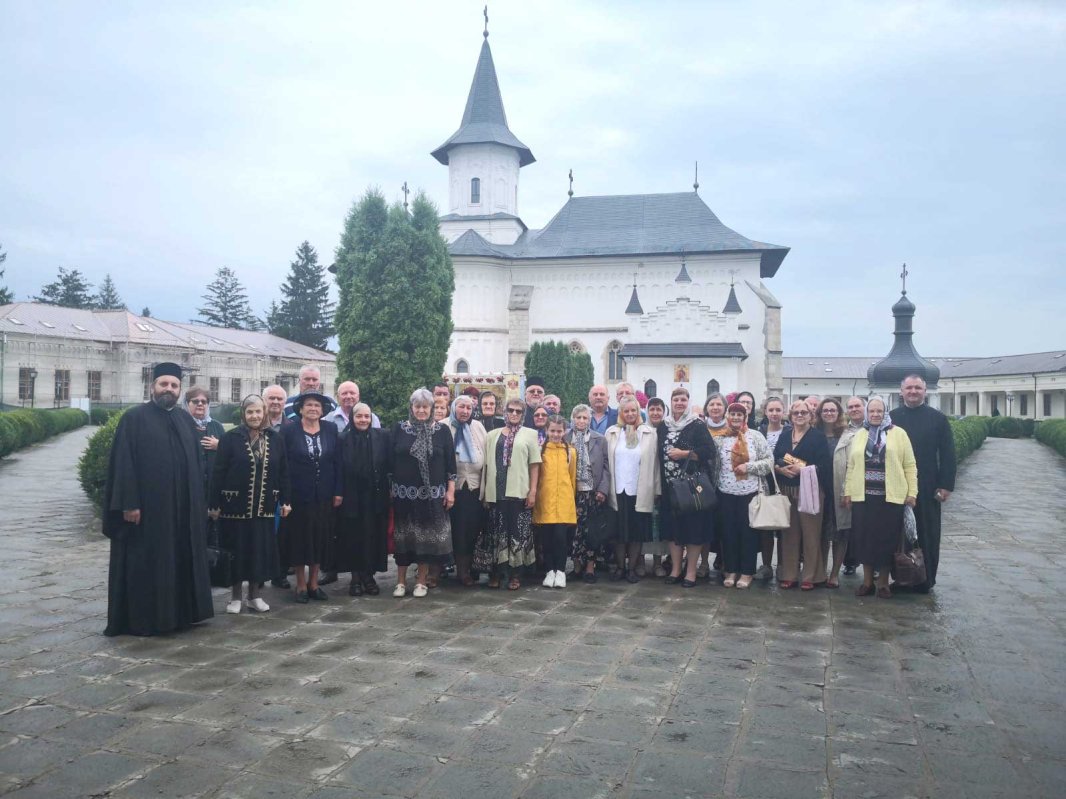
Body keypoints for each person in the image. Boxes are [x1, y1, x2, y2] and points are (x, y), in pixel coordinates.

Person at [102, 362, 213, 636]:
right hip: (148, 512)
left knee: (178, 561)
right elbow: (124, 463)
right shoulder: (134, 419)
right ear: (152, 386)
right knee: (148, 564)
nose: (169, 389)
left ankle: (179, 616)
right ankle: (146, 619)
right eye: (164, 384)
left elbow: (196, 464)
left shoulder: (185, 420)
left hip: (182, 511)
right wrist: (129, 503)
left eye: (174, 385)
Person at [208, 395, 290, 614]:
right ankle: (235, 597)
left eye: (258, 411)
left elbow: (283, 472)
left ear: (264, 413)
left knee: (258, 552)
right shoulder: (230, 438)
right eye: (250, 412)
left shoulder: (275, 439)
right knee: (237, 551)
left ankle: (254, 596)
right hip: (234, 506)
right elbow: (218, 472)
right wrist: (213, 503)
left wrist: (286, 500)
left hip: (264, 506)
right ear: (244, 414)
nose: (254, 416)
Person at [844, 397, 918, 599]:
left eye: (879, 411)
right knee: (865, 540)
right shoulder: (860, 434)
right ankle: (867, 582)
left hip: (890, 498)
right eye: (872, 411)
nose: (875, 414)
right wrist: (848, 491)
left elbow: (910, 465)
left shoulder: (899, 433)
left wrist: (912, 493)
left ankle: (883, 583)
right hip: (863, 497)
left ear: (886, 412)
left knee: (887, 541)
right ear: (867, 413)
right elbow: (851, 466)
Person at [890, 375, 957, 592]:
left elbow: (947, 453)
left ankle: (925, 579)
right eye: (909, 388)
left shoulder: (937, 418)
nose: (913, 391)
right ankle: (901, 577)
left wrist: (945, 485)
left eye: (917, 388)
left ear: (925, 391)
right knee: (898, 533)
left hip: (927, 484)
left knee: (927, 532)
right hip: (897, 483)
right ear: (901, 391)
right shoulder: (892, 418)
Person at [389, 388, 456, 598]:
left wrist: (450, 491)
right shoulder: (399, 429)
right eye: (417, 406)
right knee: (403, 539)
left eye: (425, 407)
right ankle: (400, 582)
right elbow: (389, 462)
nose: (421, 410)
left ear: (431, 408)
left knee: (426, 541)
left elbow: (450, 465)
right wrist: (389, 488)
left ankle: (421, 582)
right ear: (411, 407)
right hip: (403, 496)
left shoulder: (442, 431)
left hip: (432, 496)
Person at [280, 391, 343, 603]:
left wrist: (338, 491)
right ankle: (300, 585)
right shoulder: (289, 431)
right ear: (300, 409)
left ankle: (314, 584)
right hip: (298, 497)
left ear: (322, 410)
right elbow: (283, 465)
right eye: (309, 405)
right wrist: (285, 496)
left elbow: (337, 462)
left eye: (317, 405)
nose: (313, 409)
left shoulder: (330, 429)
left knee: (320, 539)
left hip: (324, 495)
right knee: (300, 540)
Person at [474, 398, 542, 590]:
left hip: (519, 493)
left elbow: (534, 465)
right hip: (496, 493)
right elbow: (486, 466)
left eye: (518, 411)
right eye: (511, 410)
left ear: (523, 414)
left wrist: (533, 491)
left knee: (517, 533)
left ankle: (515, 575)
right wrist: (484, 492)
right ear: (504, 412)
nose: (514, 414)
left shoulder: (530, 434)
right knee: (495, 533)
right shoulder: (492, 435)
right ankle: (496, 573)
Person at [658, 387, 717, 587]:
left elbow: (709, 451)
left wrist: (684, 454)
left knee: (694, 530)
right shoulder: (664, 426)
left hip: (691, 489)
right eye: (676, 399)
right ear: (671, 402)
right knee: (673, 530)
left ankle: (691, 572)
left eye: (683, 400)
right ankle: (675, 569)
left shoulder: (697, 425)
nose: (679, 403)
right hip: (669, 487)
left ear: (688, 402)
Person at [773, 400, 831, 590]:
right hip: (787, 489)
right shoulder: (785, 435)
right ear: (790, 416)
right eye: (796, 412)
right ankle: (789, 574)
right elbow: (777, 457)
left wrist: (802, 469)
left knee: (811, 533)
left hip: (810, 490)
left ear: (811, 416)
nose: (799, 415)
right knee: (789, 534)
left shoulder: (818, 437)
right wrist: (780, 469)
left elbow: (825, 465)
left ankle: (811, 576)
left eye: (803, 412)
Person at [715, 402, 774, 589]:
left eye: (739, 414)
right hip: (725, 492)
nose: (735, 417)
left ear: (745, 417)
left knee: (748, 533)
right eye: (732, 414)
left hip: (750, 492)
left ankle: (747, 572)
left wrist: (749, 467)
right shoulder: (720, 438)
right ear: (727, 416)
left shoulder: (755, 436)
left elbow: (769, 461)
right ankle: (731, 570)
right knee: (728, 532)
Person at [604, 397, 660, 583]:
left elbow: (655, 464)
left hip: (640, 490)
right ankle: (620, 567)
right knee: (619, 534)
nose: (630, 414)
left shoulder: (649, 433)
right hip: (617, 490)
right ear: (621, 413)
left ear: (638, 412)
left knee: (636, 533)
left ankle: (632, 569)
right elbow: (606, 462)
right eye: (626, 411)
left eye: (633, 410)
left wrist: (657, 490)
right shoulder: (612, 433)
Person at [338, 402, 390, 596]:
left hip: (375, 496)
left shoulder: (381, 437)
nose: (363, 420)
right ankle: (355, 578)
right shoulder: (342, 438)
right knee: (354, 537)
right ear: (352, 418)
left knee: (372, 536)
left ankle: (369, 577)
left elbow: (389, 465)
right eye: (359, 416)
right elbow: (338, 468)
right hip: (351, 496)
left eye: (367, 416)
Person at [564, 404, 610, 583]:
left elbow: (606, 467)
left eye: (585, 418)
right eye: (578, 417)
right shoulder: (565, 437)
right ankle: (576, 566)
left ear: (589, 420)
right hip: (571, 492)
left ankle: (590, 567)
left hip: (592, 491)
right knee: (574, 531)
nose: (581, 421)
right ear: (573, 419)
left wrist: (602, 490)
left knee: (592, 531)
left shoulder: (599, 439)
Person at [534, 415, 578, 588]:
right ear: (546, 430)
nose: (556, 434)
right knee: (547, 538)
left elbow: (572, 477)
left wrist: (572, 498)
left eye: (559, 431)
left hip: (564, 501)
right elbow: (537, 476)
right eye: (552, 430)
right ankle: (549, 571)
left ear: (565, 431)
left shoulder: (570, 452)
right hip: (545, 500)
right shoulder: (541, 451)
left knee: (561, 538)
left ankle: (560, 571)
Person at [447, 395, 487, 586]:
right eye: (461, 407)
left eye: (468, 408)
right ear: (453, 407)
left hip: (473, 488)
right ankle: (439, 570)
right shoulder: (444, 426)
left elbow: (486, 457)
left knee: (469, 530)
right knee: (450, 530)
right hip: (450, 489)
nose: (465, 411)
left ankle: (465, 570)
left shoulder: (477, 427)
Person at [829, 396, 866, 588]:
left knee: (869, 530)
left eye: (857, 405)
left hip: (871, 485)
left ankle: (873, 569)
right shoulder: (844, 431)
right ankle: (843, 566)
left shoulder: (877, 428)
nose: (854, 409)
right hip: (846, 486)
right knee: (842, 529)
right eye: (850, 407)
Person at [815, 398, 847, 588]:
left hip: (839, 489)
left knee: (840, 533)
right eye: (825, 410)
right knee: (821, 532)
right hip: (818, 489)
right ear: (820, 413)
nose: (829, 413)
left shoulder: (846, 436)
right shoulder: (813, 433)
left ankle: (834, 573)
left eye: (832, 410)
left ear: (838, 413)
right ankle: (821, 570)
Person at [755, 396, 788, 580]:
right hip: (764, 482)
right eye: (771, 410)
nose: (774, 413)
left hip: (785, 482)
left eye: (778, 410)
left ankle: (782, 565)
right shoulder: (759, 432)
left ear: (783, 412)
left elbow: (794, 454)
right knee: (766, 524)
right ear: (765, 412)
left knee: (783, 524)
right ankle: (766, 565)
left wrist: (780, 464)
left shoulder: (790, 431)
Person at [185, 387, 225, 493]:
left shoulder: (217, 426)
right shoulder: (182, 425)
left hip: (213, 485)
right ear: (187, 404)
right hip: (188, 485)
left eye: (204, 401)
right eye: (195, 401)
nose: (200, 404)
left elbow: (229, 454)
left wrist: (220, 446)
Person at [645, 397, 668, 577]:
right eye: (652, 409)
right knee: (644, 524)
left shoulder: (668, 430)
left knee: (659, 525)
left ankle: (658, 562)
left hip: (664, 483)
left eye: (658, 409)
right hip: (645, 483)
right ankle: (639, 560)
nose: (655, 413)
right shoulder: (641, 430)